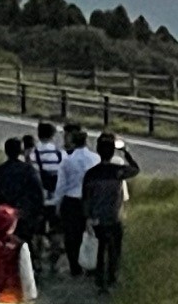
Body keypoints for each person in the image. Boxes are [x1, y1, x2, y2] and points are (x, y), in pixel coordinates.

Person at [81, 133, 142, 292]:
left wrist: (88, 217)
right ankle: (112, 277)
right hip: (114, 215)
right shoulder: (117, 172)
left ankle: (100, 279)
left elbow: (86, 198)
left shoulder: (91, 173)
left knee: (100, 249)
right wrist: (126, 151)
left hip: (97, 217)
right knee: (115, 249)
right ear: (112, 152)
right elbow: (135, 169)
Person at [0, 137, 47, 246]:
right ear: (21, 151)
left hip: (5, 213)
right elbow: (38, 192)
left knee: (5, 242)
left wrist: (2, 199)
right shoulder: (29, 170)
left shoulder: (0, 171)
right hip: (24, 212)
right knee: (24, 244)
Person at [55, 124, 97, 277]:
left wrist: (57, 203)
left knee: (71, 236)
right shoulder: (95, 159)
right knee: (90, 234)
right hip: (89, 200)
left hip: (71, 200)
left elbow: (61, 185)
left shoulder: (67, 161)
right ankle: (90, 264)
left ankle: (75, 267)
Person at [27, 121, 66, 268]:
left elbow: (31, 175)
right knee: (56, 229)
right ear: (53, 135)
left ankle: (37, 261)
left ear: (38, 134)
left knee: (38, 231)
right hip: (56, 198)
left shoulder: (33, 154)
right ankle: (53, 262)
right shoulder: (60, 154)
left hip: (38, 198)